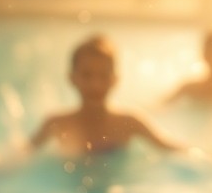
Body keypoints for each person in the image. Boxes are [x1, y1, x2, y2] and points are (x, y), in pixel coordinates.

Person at [30, 35, 181, 156]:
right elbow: (22, 154)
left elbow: (173, 149)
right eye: (87, 75)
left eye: (103, 76)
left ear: (115, 80)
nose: (96, 84)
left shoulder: (130, 122)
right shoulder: (57, 124)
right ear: (72, 78)